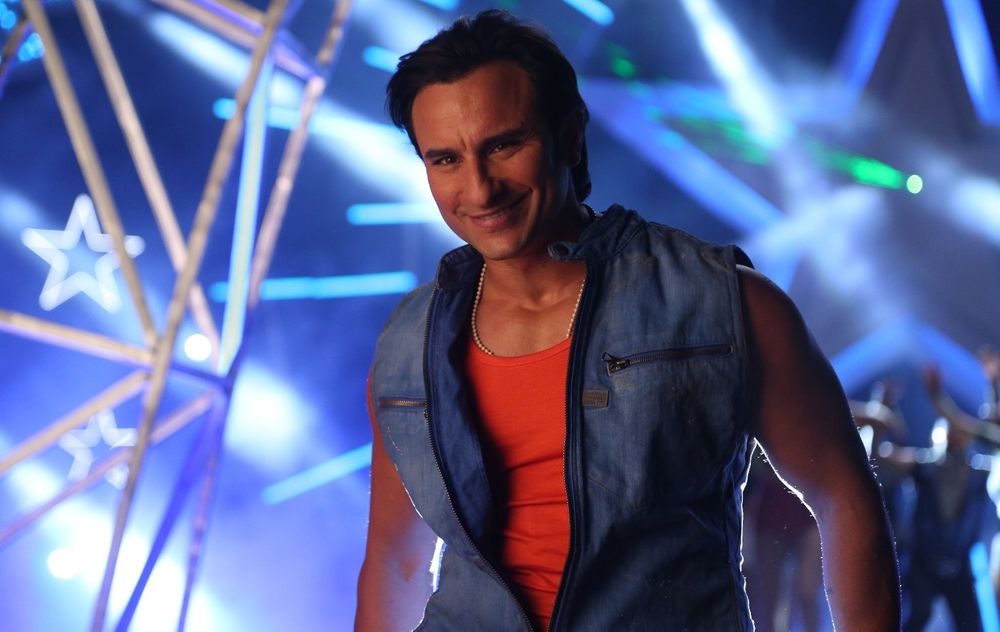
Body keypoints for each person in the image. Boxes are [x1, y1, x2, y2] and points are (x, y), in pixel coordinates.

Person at [355, 10, 899, 631]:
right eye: (446, 159)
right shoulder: (410, 343)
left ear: (569, 135)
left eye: (503, 144)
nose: (479, 189)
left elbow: (842, 496)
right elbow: (396, 560)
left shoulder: (725, 302)